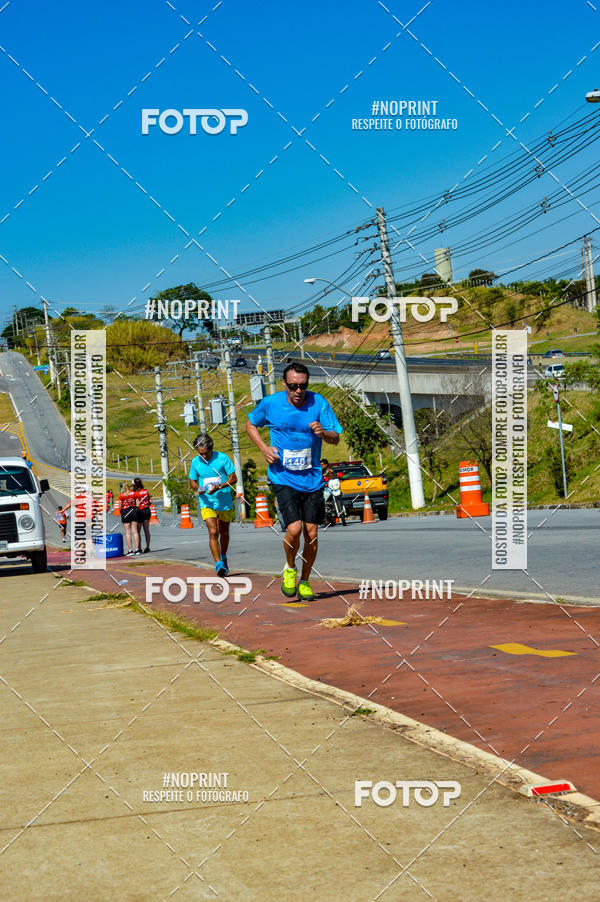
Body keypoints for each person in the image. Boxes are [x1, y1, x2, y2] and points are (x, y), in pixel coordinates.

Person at [245, 361, 342, 601]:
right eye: (293, 386)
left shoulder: (318, 402)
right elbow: (250, 424)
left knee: (312, 533)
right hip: (283, 476)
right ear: (284, 384)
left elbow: (335, 438)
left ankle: (306, 581)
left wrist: (324, 433)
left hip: (313, 479)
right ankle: (290, 568)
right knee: (294, 529)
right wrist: (264, 448)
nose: (299, 391)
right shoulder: (271, 404)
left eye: (303, 386)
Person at [188, 432, 237, 577]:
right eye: (200, 453)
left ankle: (223, 556)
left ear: (211, 449)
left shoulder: (222, 458)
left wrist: (220, 486)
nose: (203, 456)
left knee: (224, 532)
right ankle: (218, 564)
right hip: (207, 502)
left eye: (206, 453)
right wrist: (198, 488)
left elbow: (233, 478)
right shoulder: (195, 462)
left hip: (224, 501)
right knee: (213, 531)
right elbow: (192, 481)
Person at [118, 481, 140, 555]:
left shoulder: (122, 495)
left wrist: (122, 511)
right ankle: (137, 549)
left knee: (127, 532)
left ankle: (130, 550)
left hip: (125, 512)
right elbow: (138, 504)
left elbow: (119, 506)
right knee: (135, 531)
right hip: (133, 510)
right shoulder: (134, 493)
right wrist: (135, 510)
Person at [132, 477, 152, 553]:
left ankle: (139, 547)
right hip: (147, 510)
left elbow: (135, 503)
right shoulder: (146, 491)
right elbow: (150, 501)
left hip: (140, 511)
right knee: (146, 529)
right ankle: (147, 547)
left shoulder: (135, 493)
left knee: (138, 531)